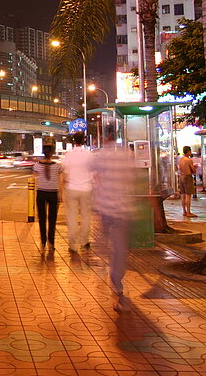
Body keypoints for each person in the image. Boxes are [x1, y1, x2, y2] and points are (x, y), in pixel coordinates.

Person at [94, 130, 137, 313]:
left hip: (106, 209)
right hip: (122, 208)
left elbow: (91, 171)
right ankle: (117, 281)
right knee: (119, 250)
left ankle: (113, 277)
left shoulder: (101, 155)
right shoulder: (126, 156)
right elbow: (132, 178)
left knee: (108, 245)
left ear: (105, 137)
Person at [61, 132, 95, 252]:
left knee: (72, 216)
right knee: (86, 216)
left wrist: (62, 189)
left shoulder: (69, 155)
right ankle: (84, 241)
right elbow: (94, 172)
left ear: (74, 141)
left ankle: (72, 243)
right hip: (86, 188)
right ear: (84, 140)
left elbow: (65, 173)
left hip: (72, 188)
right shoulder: (89, 154)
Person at [32, 143, 61, 252]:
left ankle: (43, 241)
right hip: (53, 193)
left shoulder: (37, 165)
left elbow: (34, 176)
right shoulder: (58, 166)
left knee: (42, 218)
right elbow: (60, 179)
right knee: (52, 219)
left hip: (41, 193)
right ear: (52, 153)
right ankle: (51, 242)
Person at [177, 146, 196, 217]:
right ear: (188, 152)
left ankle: (184, 211)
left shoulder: (181, 160)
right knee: (188, 195)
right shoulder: (188, 160)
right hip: (187, 177)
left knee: (183, 195)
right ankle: (188, 212)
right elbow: (193, 170)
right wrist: (194, 168)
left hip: (181, 177)